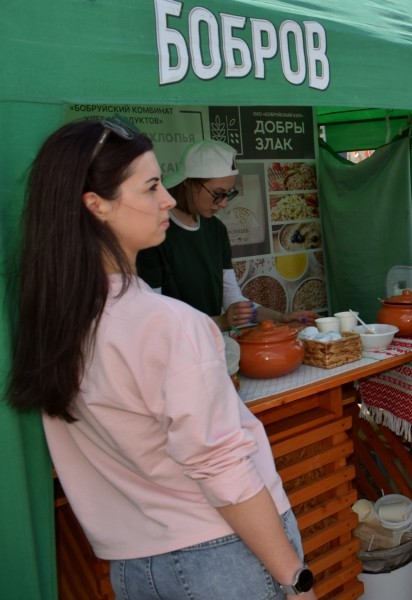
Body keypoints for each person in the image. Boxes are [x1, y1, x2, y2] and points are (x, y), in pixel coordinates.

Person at [7, 119, 317, 600]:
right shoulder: (168, 324)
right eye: (152, 187)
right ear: (97, 206)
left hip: (133, 566)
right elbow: (221, 469)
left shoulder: (54, 323)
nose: (167, 200)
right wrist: (294, 578)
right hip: (219, 554)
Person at [137, 140, 317, 331]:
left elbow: (232, 298)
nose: (223, 204)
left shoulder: (216, 229)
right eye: (218, 194)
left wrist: (281, 318)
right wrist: (221, 322)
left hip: (210, 345)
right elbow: (154, 319)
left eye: (228, 194)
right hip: (173, 351)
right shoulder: (154, 234)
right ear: (188, 184)